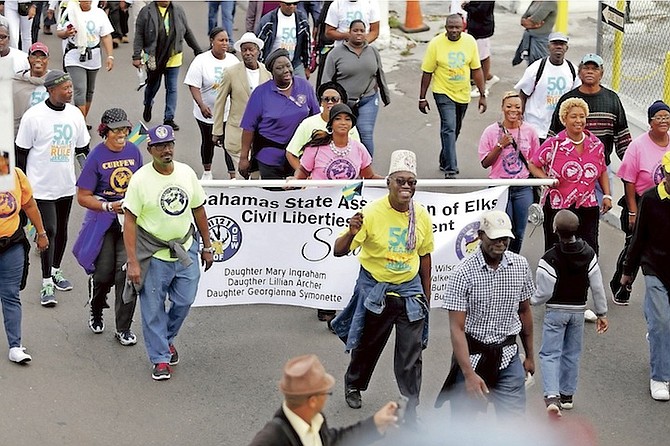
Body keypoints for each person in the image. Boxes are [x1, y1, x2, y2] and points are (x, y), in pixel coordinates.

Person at [330, 150, 433, 423]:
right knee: (368, 345)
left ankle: (411, 408)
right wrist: (351, 233)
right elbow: (339, 251)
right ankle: (354, 383)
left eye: (411, 182)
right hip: (378, 289)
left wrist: (426, 294)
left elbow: (424, 256)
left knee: (411, 354)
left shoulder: (420, 216)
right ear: (388, 182)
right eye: (401, 181)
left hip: (409, 292)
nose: (407, 187)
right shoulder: (371, 214)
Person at [122, 124, 214, 381]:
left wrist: (207, 246)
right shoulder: (140, 179)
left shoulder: (186, 173)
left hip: (185, 249)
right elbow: (129, 221)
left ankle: (166, 338)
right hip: (152, 254)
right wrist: (133, 262)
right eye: (160, 146)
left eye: (170, 144)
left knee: (184, 300)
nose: (167, 150)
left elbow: (199, 210)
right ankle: (160, 359)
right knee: (152, 309)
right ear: (150, 149)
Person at [437, 210, 535, 419]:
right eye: (494, 237)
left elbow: (524, 311)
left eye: (505, 238)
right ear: (480, 235)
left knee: (514, 426)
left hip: (508, 357)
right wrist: (469, 375)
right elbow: (457, 328)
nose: (500, 243)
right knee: (467, 430)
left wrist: (530, 356)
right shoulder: (462, 273)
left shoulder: (520, 265)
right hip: (473, 358)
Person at [15, 70, 91, 307]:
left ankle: (56, 270)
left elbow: (82, 150)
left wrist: (89, 176)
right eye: (65, 88)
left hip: (65, 184)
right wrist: (22, 187)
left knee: (63, 231)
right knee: (49, 230)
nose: (70, 91)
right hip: (40, 187)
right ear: (51, 90)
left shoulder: (75, 115)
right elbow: (21, 152)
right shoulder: (34, 116)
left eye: (70, 87)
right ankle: (46, 281)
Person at [73, 108, 142, 345]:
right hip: (102, 223)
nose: (122, 134)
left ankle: (123, 328)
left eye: (125, 129)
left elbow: (141, 184)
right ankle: (96, 308)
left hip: (128, 224)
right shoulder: (96, 156)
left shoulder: (134, 152)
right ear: (105, 131)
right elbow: (83, 196)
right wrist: (108, 206)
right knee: (102, 274)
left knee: (127, 274)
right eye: (116, 130)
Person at [531, 209, 608, 418]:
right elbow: (598, 286)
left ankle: (552, 396)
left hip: (555, 311)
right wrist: (601, 312)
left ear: (554, 229)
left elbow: (544, 291)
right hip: (578, 310)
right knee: (572, 353)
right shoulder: (588, 253)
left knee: (549, 353)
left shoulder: (550, 257)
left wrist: (532, 301)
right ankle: (567, 396)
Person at [248, 354, 399, 445]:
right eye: (326, 393)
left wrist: (376, 423)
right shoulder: (271, 439)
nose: (326, 398)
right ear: (313, 401)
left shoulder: (314, 419)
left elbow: (333, 441)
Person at [528, 98, 612, 255]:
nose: (579, 120)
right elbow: (533, 164)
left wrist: (607, 195)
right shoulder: (554, 144)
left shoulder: (596, 145)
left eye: (582, 116)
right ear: (564, 119)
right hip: (558, 206)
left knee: (589, 249)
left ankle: (585, 279)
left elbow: (602, 170)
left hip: (587, 205)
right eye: (573, 116)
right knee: (557, 250)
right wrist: (546, 179)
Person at [549, 53, 632, 202]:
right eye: (586, 68)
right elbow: (553, 137)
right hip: (570, 169)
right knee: (572, 214)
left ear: (601, 73)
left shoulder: (612, 100)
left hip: (602, 169)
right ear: (579, 72)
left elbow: (622, 137)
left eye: (594, 68)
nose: (589, 71)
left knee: (599, 212)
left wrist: (631, 167)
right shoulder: (568, 100)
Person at [622, 151, 670, 401]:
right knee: (662, 322)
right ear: (665, 174)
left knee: (663, 323)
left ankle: (657, 333)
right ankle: (660, 377)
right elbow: (639, 236)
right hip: (655, 267)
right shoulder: (651, 198)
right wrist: (628, 271)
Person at [611, 101, 670, 306]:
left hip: (664, 204)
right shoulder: (638, 146)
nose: (663, 121)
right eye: (658, 117)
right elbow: (629, 179)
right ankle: (622, 283)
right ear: (649, 122)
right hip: (640, 201)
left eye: (666, 117)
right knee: (633, 243)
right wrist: (633, 211)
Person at [419, 13, 487, 179]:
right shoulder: (436, 44)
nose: (454, 30)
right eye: (451, 27)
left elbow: (476, 70)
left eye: (457, 27)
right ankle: (451, 168)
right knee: (448, 128)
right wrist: (422, 97)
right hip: (442, 91)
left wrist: (482, 94)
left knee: (455, 129)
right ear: (445, 28)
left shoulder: (470, 41)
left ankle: (444, 159)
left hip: (463, 92)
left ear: (463, 27)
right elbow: (427, 72)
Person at [239, 48, 320, 180]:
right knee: (273, 198)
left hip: (299, 155)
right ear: (272, 72)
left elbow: (316, 118)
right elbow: (249, 128)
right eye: (280, 68)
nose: (286, 70)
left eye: (288, 65)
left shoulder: (304, 86)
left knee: (298, 197)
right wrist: (243, 158)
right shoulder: (261, 93)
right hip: (269, 156)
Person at [478, 91, 540, 253]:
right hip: (499, 187)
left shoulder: (530, 131)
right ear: (502, 108)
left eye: (517, 107)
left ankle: (512, 263)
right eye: (509, 106)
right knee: (502, 231)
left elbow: (535, 162)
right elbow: (485, 163)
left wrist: (547, 179)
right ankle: (499, 260)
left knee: (518, 232)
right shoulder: (491, 131)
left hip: (523, 188)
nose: (513, 110)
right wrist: (500, 145)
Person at [0, 160, 49, 364]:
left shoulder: (16, 175)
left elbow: (29, 205)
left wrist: (41, 232)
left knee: (10, 294)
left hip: (12, 244)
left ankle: (15, 346)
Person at [322, 19, 389, 158]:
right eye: (355, 30)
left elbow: (380, 74)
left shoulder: (373, 51)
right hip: (343, 103)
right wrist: (327, 103)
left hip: (368, 98)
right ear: (349, 32)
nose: (359, 34)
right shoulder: (335, 53)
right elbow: (327, 79)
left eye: (362, 31)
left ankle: (367, 169)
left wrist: (385, 96)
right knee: (343, 133)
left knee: (365, 132)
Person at [132, 0, 202, 131]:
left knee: (172, 88)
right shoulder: (146, 12)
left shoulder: (178, 10)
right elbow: (139, 35)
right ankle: (148, 104)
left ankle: (169, 118)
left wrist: (197, 50)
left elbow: (187, 32)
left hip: (174, 56)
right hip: (154, 57)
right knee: (153, 85)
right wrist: (136, 56)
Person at [212, 32, 271, 179]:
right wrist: (217, 130)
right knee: (242, 176)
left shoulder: (267, 72)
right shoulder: (231, 73)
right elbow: (220, 102)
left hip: (261, 135)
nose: (248, 53)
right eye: (244, 50)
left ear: (258, 51)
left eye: (251, 49)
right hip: (237, 134)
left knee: (256, 177)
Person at [184, 27, 239, 180]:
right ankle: (207, 171)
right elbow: (193, 85)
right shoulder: (201, 60)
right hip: (206, 112)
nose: (225, 43)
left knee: (229, 142)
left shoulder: (233, 61)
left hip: (228, 111)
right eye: (221, 40)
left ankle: (233, 176)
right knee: (208, 141)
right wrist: (201, 105)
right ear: (212, 41)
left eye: (227, 40)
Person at [514, 32, 580, 143]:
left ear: (566, 48)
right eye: (555, 43)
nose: (558, 47)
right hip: (536, 129)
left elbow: (576, 100)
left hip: (561, 131)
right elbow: (523, 95)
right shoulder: (536, 68)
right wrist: (518, 119)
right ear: (548, 46)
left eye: (562, 44)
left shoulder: (573, 70)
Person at [57, 0, 114, 126]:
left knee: (89, 90)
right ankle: (80, 124)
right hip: (74, 56)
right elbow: (59, 32)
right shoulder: (69, 12)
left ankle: (82, 119)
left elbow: (106, 36)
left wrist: (110, 56)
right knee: (80, 89)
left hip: (93, 57)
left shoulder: (99, 13)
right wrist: (66, 33)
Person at [286, 81, 359, 172]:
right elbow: (291, 153)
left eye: (334, 99)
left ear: (342, 102)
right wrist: (305, 176)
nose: (330, 102)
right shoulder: (308, 124)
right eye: (326, 99)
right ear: (321, 102)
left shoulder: (349, 126)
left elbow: (358, 154)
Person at [295, 104, 382, 181]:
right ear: (331, 124)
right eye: (338, 119)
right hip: (319, 197)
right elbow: (303, 171)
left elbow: (369, 176)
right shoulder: (316, 148)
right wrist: (293, 180)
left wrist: (388, 180)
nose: (343, 123)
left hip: (347, 198)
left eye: (347, 119)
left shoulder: (359, 148)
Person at [256, 0, 311, 78]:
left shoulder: (302, 20)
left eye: (295, 3)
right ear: (280, 3)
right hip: (272, 65)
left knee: (303, 88)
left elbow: (307, 43)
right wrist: (260, 65)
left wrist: (307, 66)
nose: (292, 6)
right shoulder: (268, 20)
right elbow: (259, 45)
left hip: (295, 64)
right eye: (288, 4)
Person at [462, 1, 499, 98]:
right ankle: (488, 78)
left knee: (482, 57)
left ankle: (483, 87)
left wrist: (466, 6)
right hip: (475, 28)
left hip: (481, 30)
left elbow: (481, 11)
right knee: (477, 56)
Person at [12, 42, 49, 135]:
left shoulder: (55, 82)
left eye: (42, 57)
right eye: (34, 56)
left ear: (48, 60)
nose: (38, 60)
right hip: (22, 132)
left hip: (47, 132)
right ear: (28, 59)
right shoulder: (17, 82)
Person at [513, 0, 557, 66]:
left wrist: (530, 22)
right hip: (529, 37)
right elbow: (523, 19)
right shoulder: (535, 1)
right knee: (531, 67)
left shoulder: (550, 2)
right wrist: (532, 24)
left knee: (541, 65)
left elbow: (535, 20)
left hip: (541, 40)